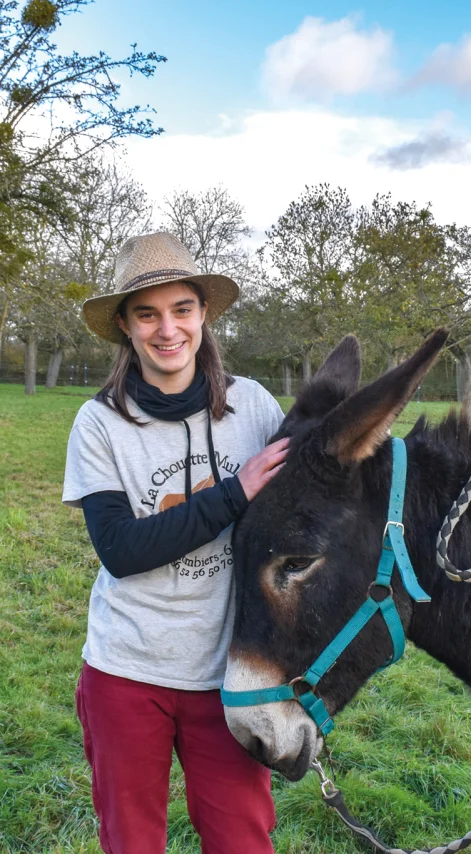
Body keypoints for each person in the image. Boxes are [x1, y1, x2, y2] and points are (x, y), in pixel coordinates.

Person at [62, 232, 288, 854]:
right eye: (147, 314)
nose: (168, 330)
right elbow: (120, 550)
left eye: (181, 309)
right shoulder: (99, 423)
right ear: (125, 325)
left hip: (231, 674)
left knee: (241, 840)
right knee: (132, 841)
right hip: (127, 671)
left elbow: (312, 501)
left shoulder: (253, 407)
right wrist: (234, 494)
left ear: (203, 313)